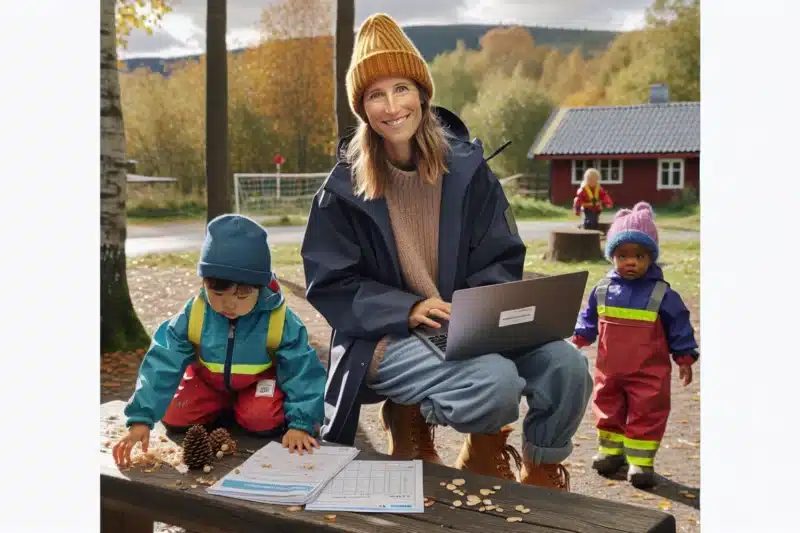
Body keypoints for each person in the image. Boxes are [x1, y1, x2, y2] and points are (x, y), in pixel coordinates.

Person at [301, 13, 593, 492]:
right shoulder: (341, 191)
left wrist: (478, 310)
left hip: (465, 324)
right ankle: (416, 415)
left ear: (422, 93)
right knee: (493, 383)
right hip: (383, 336)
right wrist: (408, 308)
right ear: (362, 108)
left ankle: (539, 463)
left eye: (401, 88)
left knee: (569, 368)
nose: (392, 106)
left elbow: (501, 254)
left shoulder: (468, 171)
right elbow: (331, 283)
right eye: (375, 94)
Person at [114, 214, 326, 467]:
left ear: (259, 286)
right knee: (176, 413)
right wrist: (140, 418)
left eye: (243, 294)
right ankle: (223, 408)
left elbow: (302, 370)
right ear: (204, 282)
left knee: (261, 418)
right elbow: (162, 361)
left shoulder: (280, 319)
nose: (229, 304)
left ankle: (241, 410)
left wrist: (301, 424)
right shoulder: (195, 313)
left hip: (256, 385)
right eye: (217, 293)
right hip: (208, 381)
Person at [571, 202, 698, 489]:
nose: (630, 262)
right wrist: (580, 337)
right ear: (611, 256)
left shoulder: (661, 292)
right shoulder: (602, 289)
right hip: (610, 370)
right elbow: (589, 318)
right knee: (606, 406)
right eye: (622, 255)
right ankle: (611, 452)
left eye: (639, 256)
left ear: (651, 258)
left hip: (648, 374)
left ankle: (641, 462)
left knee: (647, 412)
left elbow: (679, 325)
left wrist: (685, 357)